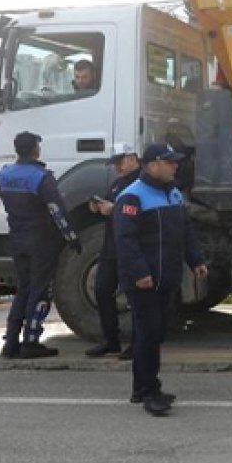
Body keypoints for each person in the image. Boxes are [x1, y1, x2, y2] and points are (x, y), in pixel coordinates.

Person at [114, 143, 208, 416]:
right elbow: (126, 241)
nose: (175, 165)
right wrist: (140, 273)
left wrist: (196, 260)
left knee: (157, 333)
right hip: (144, 281)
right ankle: (147, 392)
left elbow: (185, 232)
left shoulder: (173, 194)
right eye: (169, 162)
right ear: (152, 164)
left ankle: (142, 387)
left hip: (167, 278)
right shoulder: (132, 197)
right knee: (148, 334)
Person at [0, 131, 81, 359]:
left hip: (16, 238)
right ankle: (31, 341)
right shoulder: (41, 177)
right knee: (40, 289)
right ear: (35, 149)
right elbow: (56, 210)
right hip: (40, 240)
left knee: (22, 289)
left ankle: (11, 340)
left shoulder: (4, 174)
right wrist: (72, 237)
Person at [84, 142, 140, 359]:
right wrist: (97, 207)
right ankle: (110, 340)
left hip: (131, 248)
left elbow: (136, 211)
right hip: (111, 247)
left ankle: (138, 343)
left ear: (133, 158)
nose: (117, 167)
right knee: (101, 290)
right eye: (114, 163)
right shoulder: (118, 184)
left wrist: (114, 209)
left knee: (136, 298)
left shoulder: (142, 183)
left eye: (120, 161)